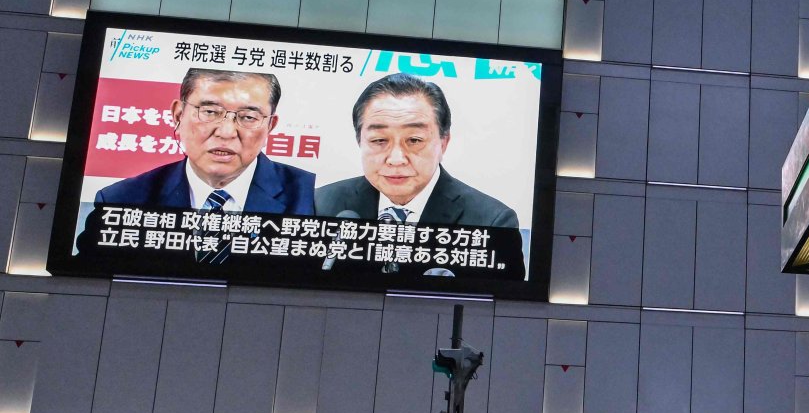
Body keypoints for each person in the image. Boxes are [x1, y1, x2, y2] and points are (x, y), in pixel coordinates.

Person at [314, 74, 524, 263]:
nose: (396, 159)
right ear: (360, 141)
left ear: (443, 143)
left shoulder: (492, 222)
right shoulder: (320, 204)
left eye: (414, 140)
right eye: (379, 140)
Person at [91, 69, 314, 215]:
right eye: (209, 112)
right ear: (178, 115)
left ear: (270, 126)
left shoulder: (311, 197)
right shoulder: (121, 199)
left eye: (248, 117)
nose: (226, 132)